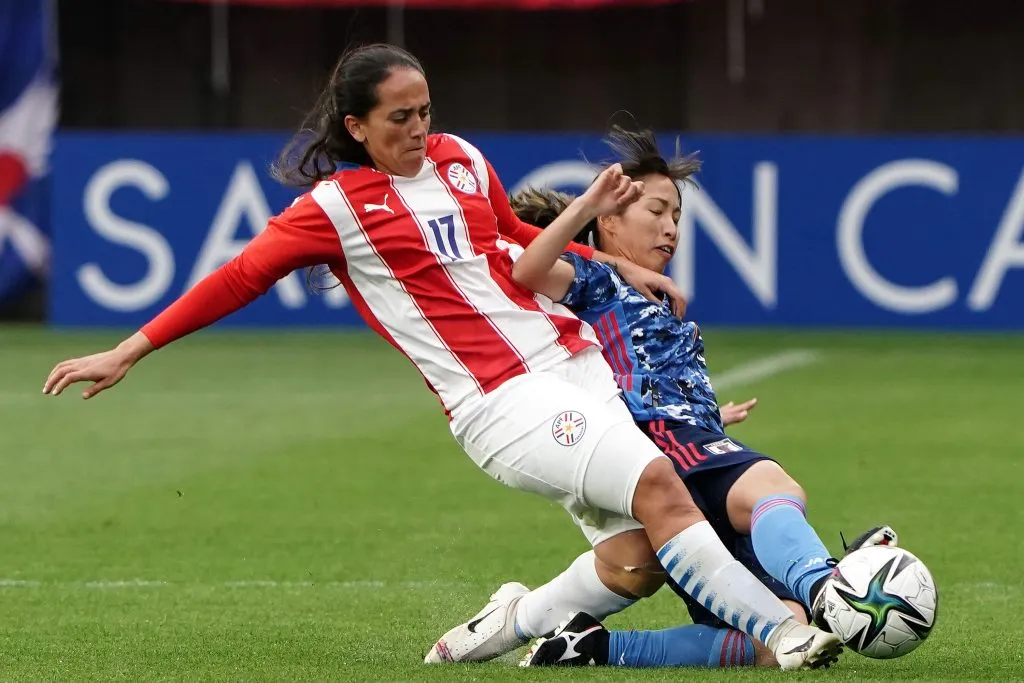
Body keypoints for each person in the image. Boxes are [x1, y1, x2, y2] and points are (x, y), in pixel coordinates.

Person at [42, 44, 838, 670]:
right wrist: (130, 348)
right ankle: (785, 631)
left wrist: (615, 265)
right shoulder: (335, 208)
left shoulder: (459, 158)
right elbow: (240, 275)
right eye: (399, 117)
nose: (419, 129)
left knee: (637, 562)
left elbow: (513, 237)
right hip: (502, 401)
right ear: (356, 126)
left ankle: (510, 620)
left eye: (425, 110)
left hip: (576, 368)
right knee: (663, 485)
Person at [498, 126, 890, 668]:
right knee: (772, 487)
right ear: (609, 220)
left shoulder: (652, 296)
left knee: (779, 636)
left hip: (686, 441)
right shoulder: (596, 279)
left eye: (678, 216)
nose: (671, 227)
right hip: (657, 440)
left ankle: (596, 648)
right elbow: (527, 268)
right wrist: (590, 215)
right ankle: (830, 584)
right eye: (657, 210)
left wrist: (709, 417)